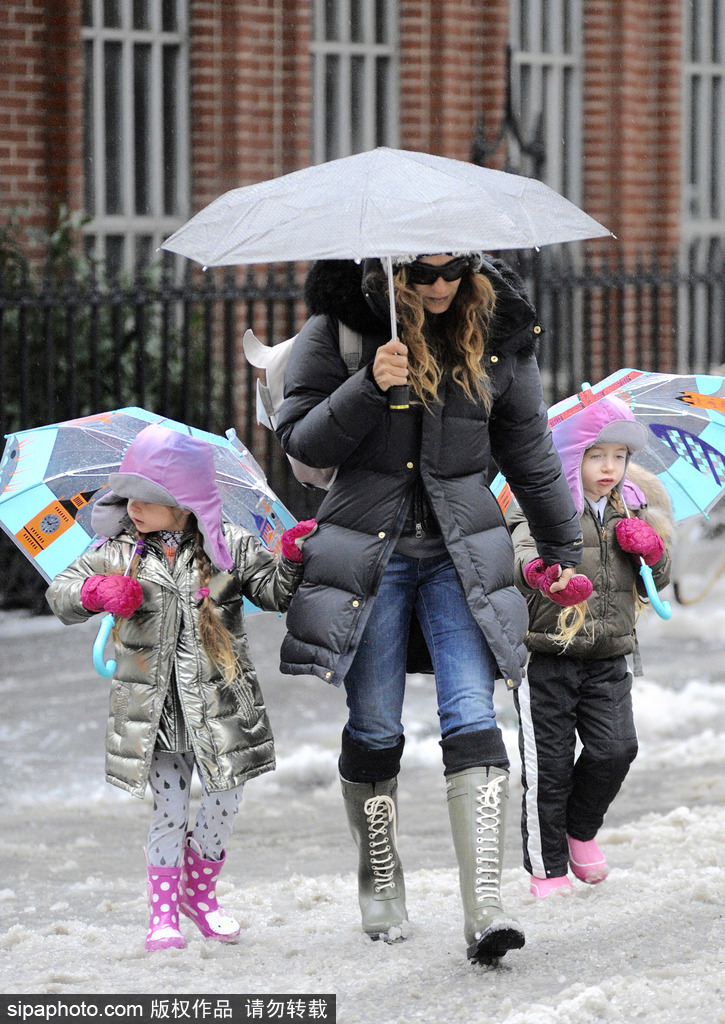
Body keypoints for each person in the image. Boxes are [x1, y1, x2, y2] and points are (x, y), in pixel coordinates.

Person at [274, 251, 583, 964]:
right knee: (376, 723)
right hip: (368, 558)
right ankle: (379, 882)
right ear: (391, 272)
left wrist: (562, 547)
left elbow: (528, 447)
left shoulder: (500, 332)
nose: (440, 286)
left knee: (472, 715)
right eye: (423, 274)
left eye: (453, 271)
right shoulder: (341, 332)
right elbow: (300, 440)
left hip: (461, 552)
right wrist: (366, 385)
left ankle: (485, 912)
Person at [46, 423, 315, 951]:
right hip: (156, 711)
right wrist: (97, 591)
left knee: (225, 801)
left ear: (186, 503)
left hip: (220, 707)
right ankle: (163, 912)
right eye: (128, 497)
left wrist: (292, 558)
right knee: (169, 808)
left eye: (147, 498)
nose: (134, 507)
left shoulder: (227, 547)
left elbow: (275, 592)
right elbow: (62, 593)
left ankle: (199, 892)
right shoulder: (119, 551)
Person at [508, 395, 673, 897]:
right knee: (549, 770)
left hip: (609, 656)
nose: (609, 467)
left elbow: (656, 582)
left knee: (616, 749)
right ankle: (547, 868)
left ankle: (580, 832)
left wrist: (652, 549)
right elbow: (521, 554)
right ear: (570, 454)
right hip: (547, 656)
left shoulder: (636, 505)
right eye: (596, 455)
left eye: (620, 456)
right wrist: (545, 574)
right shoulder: (539, 498)